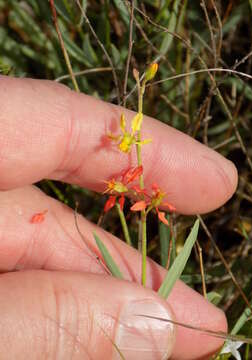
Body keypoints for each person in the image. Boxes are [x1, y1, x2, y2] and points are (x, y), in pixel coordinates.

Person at [0, 75, 238, 359]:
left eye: (128, 140)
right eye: (125, 140)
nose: (125, 143)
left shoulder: (136, 171)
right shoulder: (129, 173)